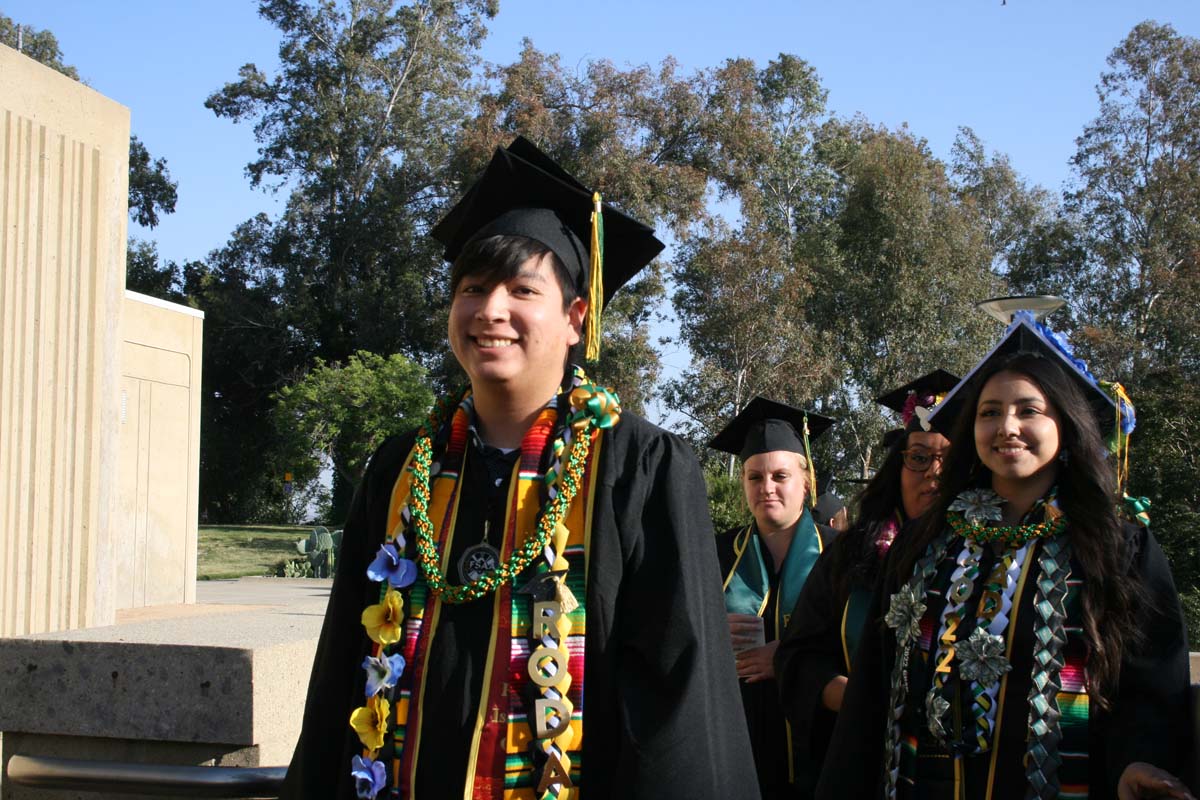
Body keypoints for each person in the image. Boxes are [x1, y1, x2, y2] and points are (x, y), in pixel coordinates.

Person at [281, 137, 758, 799]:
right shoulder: (401, 470)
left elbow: (678, 707)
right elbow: (341, 669)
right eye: (472, 289)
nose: (490, 310)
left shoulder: (639, 469)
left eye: (522, 290)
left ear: (576, 317)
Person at [815, 312, 1194, 799]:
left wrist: (1137, 759)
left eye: (1029, 410)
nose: (1007, 427)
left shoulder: (1117, 551)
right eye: (989, 412)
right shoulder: (925, 546)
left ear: (1065, 425)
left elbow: (1151, 689)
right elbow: (874, 689)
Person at [775, 370, 957, 799]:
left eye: (949, 460)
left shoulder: (992, 558)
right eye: (918, 458)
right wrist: (850, 696)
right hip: (861, 761)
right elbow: (797, 658)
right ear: (897, 470)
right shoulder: (849, 555)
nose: (933, 473)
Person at [708, 398, 837, 800]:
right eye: (754, 477)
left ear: (806, 481)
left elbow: (861, 649)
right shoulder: (714, 555)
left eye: (781, 476)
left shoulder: (844, 556)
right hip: (739, 750)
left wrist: (788, 659)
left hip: (822, 752)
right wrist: (710, 632)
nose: (766, 488)